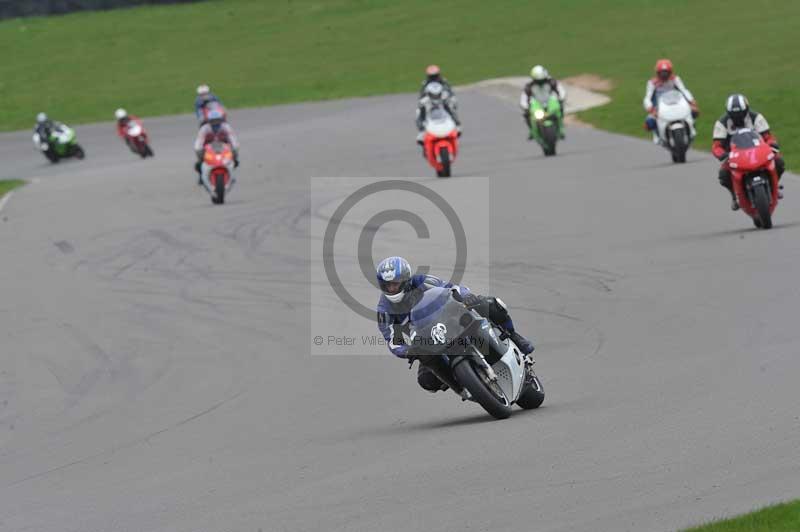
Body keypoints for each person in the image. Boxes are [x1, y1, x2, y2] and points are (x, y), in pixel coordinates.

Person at [375, 256, 534, 393]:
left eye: (395, 283)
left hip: (449, 316)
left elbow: (451, 287)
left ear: (406, 279)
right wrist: (406, 350)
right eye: (387, 285)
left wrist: (466, 296)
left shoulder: (422, 280)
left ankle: (514, 336)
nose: (392, 288)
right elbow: (392, 340)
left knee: (490, 304)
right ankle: (461, 385)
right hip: (427, 339)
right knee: (426, 380)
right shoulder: (384, 310)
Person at [712, 94, 785, 210]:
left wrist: (772, 145)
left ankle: (774, 187)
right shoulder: (722, 123)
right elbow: (716, 146)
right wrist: (723, 154)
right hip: (734, 156)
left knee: (779, 162)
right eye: (734, 115)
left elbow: (768, 136)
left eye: (740, 114)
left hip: (758, 151)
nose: (738, 118)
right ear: (728, 113)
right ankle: (734, 196)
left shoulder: (756, 117)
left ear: (746, 109)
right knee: (723, 174)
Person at [643, 59, 699, 144]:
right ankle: (658, 135)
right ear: (658, 73)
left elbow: (684, 90)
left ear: (670, 72)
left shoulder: (675, 79)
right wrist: (651, 109)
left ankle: (691, 131)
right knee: (649, 123)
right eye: (662, 73)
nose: (664, 75)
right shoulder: (652, 83)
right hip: (660, 107)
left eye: (666, 72)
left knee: (694, 112)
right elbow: (647, 97)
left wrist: (691, 101)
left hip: (677, 103)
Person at [520, 65, 567, 140]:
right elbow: (524, 98)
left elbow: (561, 90)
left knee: (560, 109)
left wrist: (561, 99)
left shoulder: (552, 82)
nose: (540, 82)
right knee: (527, 115)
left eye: (542, 80)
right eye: (538, 81)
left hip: (550, 102)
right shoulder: (529, 86)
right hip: (537, 105)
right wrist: (525, 107)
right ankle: (532, 131)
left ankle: (561, 129)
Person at [193, 109, 240, 183]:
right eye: (213, 121)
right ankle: (202, 175)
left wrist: (234, 149)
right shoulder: (204, 129)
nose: (215, 123)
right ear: (209, 121)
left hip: (223, 147)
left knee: (235, 160)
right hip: (208, 148)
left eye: (217, 120)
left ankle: (229, 172)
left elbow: (232, 138)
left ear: (221, 120)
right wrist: (199, 150)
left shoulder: (226, 127)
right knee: (199, 163)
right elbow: (199, 141)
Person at [415, 81, 461, 148]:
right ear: (429, 93)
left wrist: (456, 121)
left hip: (443, 117)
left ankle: (456, 129)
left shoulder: (444, 98)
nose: (435, 96)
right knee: (418, 112)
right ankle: (422, 133)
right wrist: (422, 124)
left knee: (452, 111)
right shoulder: (424, 101)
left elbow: (450, 109)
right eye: (433, 95)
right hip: (429, 118)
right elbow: (422, 115)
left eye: (437, 94)